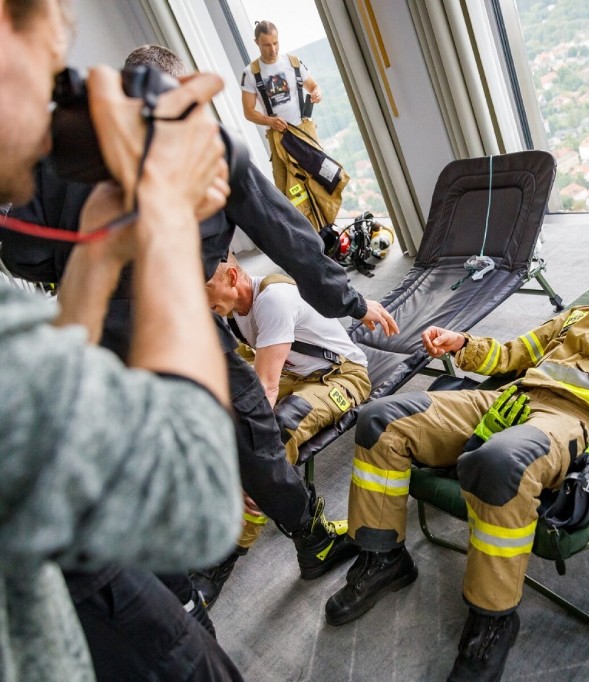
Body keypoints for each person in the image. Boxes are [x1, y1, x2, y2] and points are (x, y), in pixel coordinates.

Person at [2, 42, 397, 681]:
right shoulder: (202, 140)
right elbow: (286, 233)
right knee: (252, 431)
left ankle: (188, 611)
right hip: (175, 326)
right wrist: (350, 300)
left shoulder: (59, 151)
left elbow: (25, 254)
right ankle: (311, 538)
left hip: (99, 335)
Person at [324, 231, 589, 681]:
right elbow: (516, 354)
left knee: (500, 465)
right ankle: (383, 557)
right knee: (379, 420)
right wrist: (461, 344)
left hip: (573, 419)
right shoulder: (581, 314)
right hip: (510, 401)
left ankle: (493, 620)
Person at [0, 1, 246, 679]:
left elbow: (46, 415)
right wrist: (164, 204)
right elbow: (192, 503)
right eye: (54, 71)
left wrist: (100, 256)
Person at [192, 253, 372, 604]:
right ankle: (310, 541)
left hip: (340, 375)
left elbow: (265, 389)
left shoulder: (272, 300)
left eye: (206, 291)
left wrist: (254, 469)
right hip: (295, 374)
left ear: (232, 276)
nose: (203, 303)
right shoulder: (227, 313)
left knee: (273, 435)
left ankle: (220, 563)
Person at [241, 20, 344, 231]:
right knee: (289, 190)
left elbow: (314, 86)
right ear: (256, 43)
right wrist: (269, 121)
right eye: (266, 45)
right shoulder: (250, 73)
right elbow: (249, 112)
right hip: (279, 137)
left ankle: (330, 229)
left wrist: (317, 93)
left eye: (276, 43)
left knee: (323, 178)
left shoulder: (293, 62)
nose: (273, 49)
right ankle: (308, 236)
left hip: (304, 132)